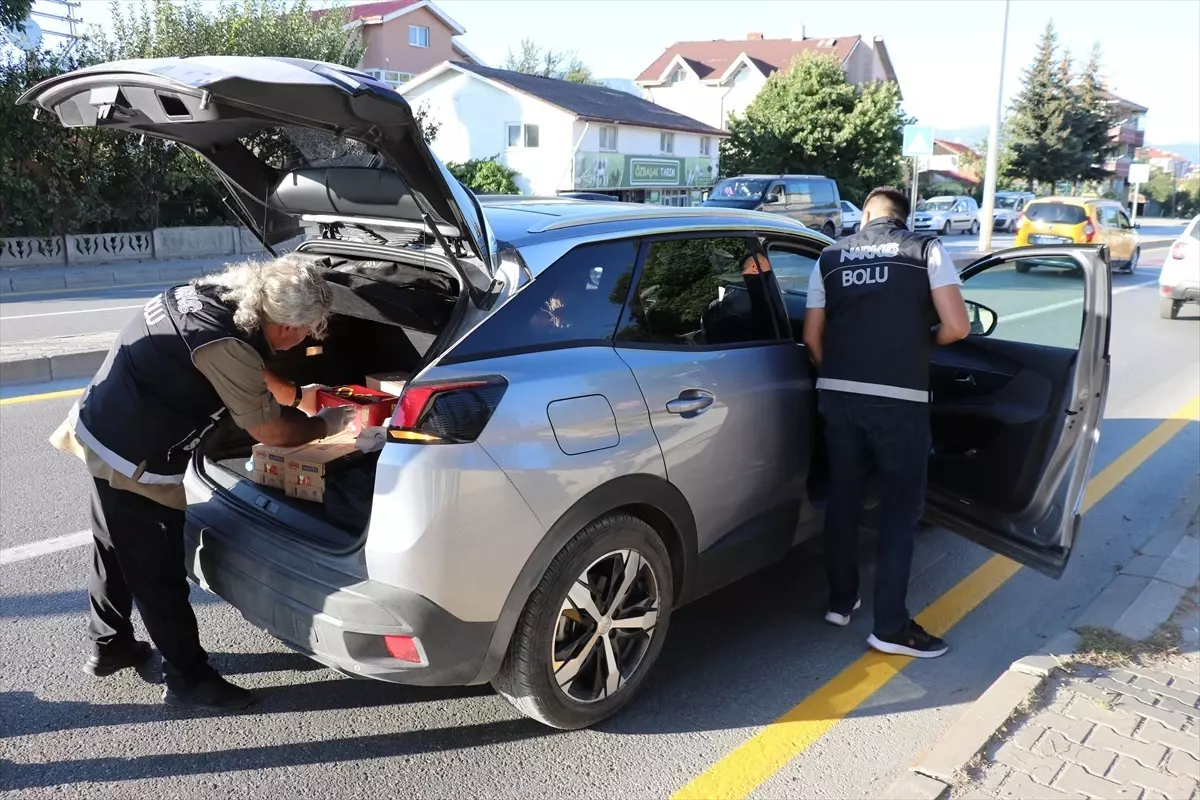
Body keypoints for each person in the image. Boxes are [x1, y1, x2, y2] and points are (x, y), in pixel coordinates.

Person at [50, 254, 357, 710]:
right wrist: (326, 423)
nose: (308, 338)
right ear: (290, 327)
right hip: (135, 453)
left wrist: (295, 395)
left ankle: (110, 644)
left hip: (101, 425)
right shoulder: (226, 344)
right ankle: (189, 679)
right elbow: (270, 430)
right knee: (157, 572)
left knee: (113, 545)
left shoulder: (218, 297)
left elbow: (245, 363)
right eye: (308, 329)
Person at [801, 187, 970, 659]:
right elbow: (958, 328)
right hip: (899, 401)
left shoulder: (830, 258)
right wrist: (919, 342)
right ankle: (890, 627)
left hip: (837, 397)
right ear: (901, 217)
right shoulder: (925, 250)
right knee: (899, 513)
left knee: (844, 500)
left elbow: (812, 338)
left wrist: (836, 375)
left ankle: (840, 601)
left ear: (868, 216)